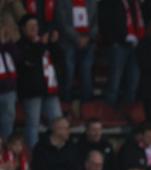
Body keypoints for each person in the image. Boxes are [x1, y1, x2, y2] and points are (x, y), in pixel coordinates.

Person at [16, 14, 63, 149]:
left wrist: (53, 43)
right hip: (32, 92)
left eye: (36, 26)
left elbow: (59, 58)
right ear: (23, 29)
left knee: (58, 122)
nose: (34, 29)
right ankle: (33, 155)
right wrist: (41, 44)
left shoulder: (44, 43)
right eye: (30, 26)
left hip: (50, 90)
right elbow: (29, 61)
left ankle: (58, 150)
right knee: (33, 124)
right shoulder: (20, 45)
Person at [99, 0, 143, 107]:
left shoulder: (135, 3)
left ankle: (128, 111)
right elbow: (104, 22)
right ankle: (108, 111)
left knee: (133, 81)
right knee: (114, 82)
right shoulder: (109, 2)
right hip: (118, 46)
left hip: (135, 45)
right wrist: (117, 39)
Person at [55, 0, 98, 103]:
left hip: (88, 42)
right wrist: (77, 38)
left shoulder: (92, 2)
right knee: (68, 72)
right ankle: (66, 102)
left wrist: (88, 37)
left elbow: (96, 23)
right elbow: (62, 23)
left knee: (86, 72)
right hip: (68, 42)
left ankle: (87, 104)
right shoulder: (62, 2)